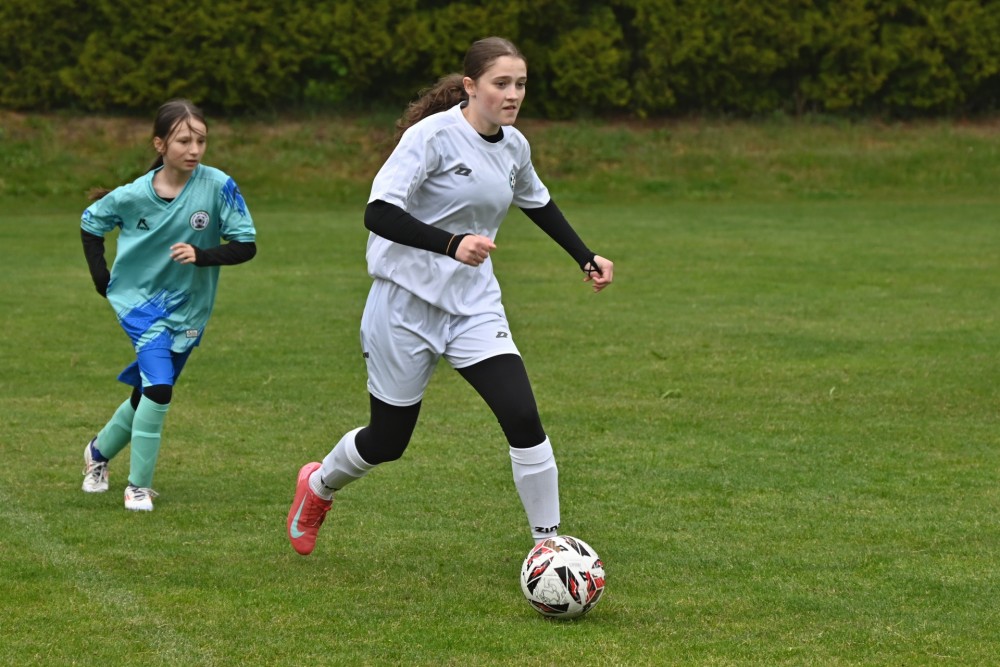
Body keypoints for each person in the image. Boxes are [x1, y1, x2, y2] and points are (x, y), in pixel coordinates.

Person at [286, 36, 613, 555]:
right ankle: (319, 485)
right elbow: (378, 212)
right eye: (501, 83)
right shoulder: (432, 137)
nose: (513, 94)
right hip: (403, 306)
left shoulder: (514, 145)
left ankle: (548, 548)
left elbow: (538, 202)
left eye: (520, 84)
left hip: (472, 307)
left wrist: (584, 255)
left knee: (522, 416)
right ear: (470, 86)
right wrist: (451, 243)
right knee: (387, 441)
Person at [80, 99, 257, 511]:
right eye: (183, 141)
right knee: (160, 389)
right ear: (160, 144)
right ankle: (137, 487)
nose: (194, 150)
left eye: (201, 141)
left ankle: (97, 452)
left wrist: (202, 255)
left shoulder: (218, 186)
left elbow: (246, 245)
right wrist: (102, 279)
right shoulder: (133, 195)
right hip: (140, 305)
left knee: (147, 392)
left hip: (190, 308)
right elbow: (91, 223)